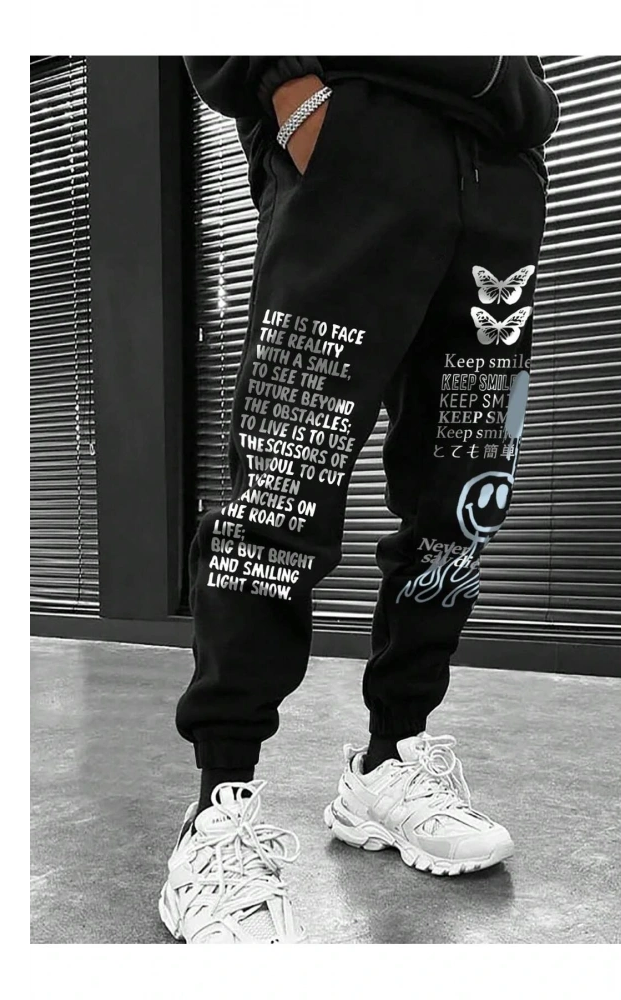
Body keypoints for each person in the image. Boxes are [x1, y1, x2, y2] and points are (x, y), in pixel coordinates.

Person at [159, 55, 559, 944]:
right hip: (356, 140)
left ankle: (389, 762)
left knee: (464, 496)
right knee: (283, 483)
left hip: (499, 168)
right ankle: (218, 805)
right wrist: (288, 92)